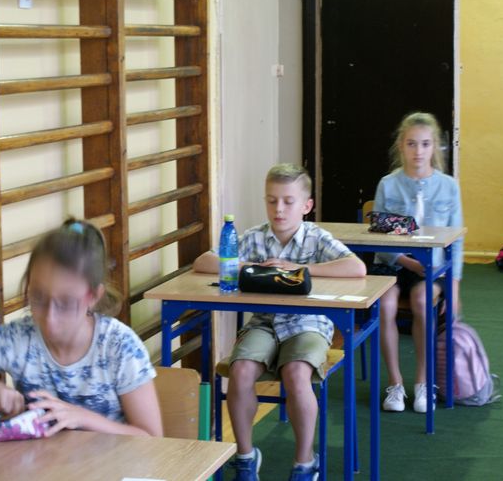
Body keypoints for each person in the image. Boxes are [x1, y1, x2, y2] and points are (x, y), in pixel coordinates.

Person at [0, 219, 163, 437]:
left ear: (93, 296)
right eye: (38, 298)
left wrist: (82, 418)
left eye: (66, 303)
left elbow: (151, 438)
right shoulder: (17, 338)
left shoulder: (119, 346)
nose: (50, 319)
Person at [194, 163, 366, 481]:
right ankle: (246, 457)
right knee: (240, 370)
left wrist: (299, 270)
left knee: (296, 373)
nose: (279, 209)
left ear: (306, 206)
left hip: (308, 324)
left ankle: (305, 463)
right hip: (264, 324)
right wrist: (250, 266)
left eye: (288, 201)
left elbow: (356, 268)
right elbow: (204, 261)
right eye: (272, 201)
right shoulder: (255, 237)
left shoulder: (316, 238)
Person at [373, 112, 463, 414]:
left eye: (425, 144)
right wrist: (406, 262)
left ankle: (423, 382)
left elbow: (456, 239)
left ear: (434, 146)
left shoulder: (449, 186)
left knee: (423, 302)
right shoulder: (388, 184)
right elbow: (378, 235)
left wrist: (454, 285)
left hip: (433, 267)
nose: (418, 151)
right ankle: (395, 383)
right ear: (401, 145)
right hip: (394, 263)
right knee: (385, 305)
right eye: (411, 143)